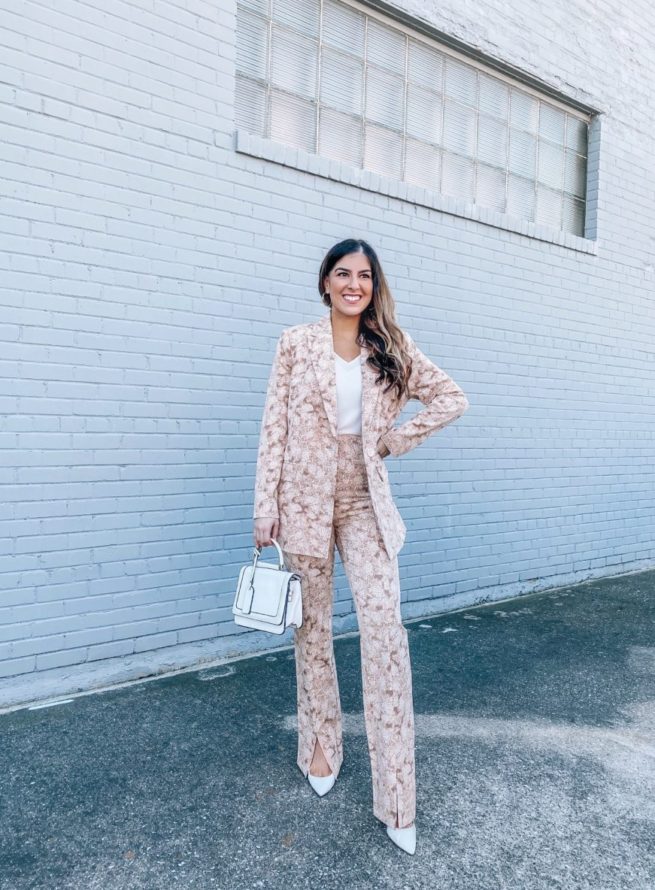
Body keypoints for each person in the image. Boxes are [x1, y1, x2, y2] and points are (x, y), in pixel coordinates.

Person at [252, 238, 469, 855]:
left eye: (365, 275)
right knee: (312, 630)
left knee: (383, 633)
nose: (354, 284)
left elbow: (451, 397)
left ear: (375, 285)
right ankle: (320, 746)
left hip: (364, 503)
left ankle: (397, 792)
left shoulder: (391, 346)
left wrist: (397, 441)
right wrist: (264, 504)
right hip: (302, 503)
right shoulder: (296, 342)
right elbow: (274, 425)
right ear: (324, 282)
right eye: (343, 274)